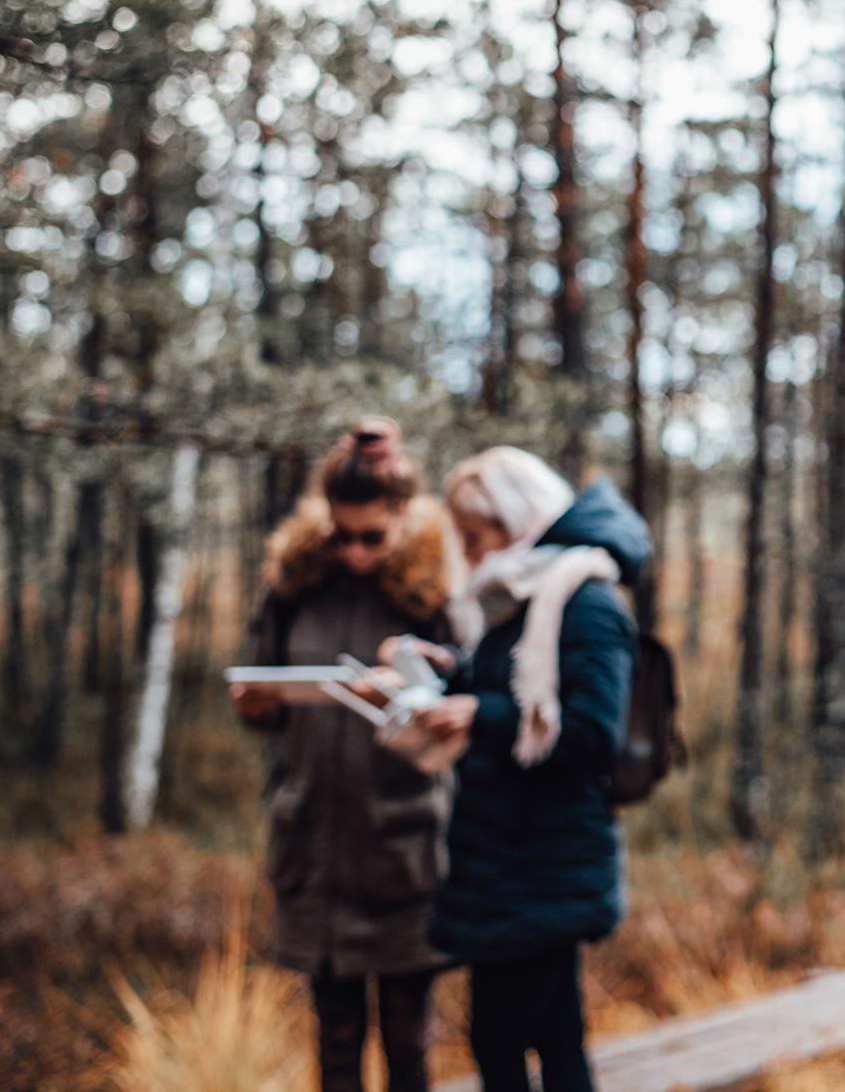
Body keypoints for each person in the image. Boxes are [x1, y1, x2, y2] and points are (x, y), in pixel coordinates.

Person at [230, 419, 460, 1092]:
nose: (356, 551)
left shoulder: (433, 596)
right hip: (315, 848)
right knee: (333, 1043)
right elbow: (264, 701)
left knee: (408, 1040)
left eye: (373, 536)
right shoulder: (292, 587)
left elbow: (467, 708)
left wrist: (408, 692)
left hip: (402, 848)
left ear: (404, 520)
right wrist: (256, 707)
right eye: (342, 533)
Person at [415, 447, 650, 1092]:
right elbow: (503, 689)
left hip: (542, 861)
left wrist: (478, 716)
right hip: (510, 861)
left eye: (475, 534)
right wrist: (432, 674)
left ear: (517, 520)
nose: (466, 550)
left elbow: (591, 736)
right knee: (551, 1039)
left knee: (502, 1043)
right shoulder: (515, 599)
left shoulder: (584, 604)